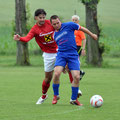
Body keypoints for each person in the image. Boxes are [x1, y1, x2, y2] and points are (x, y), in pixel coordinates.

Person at [50, 15, 97, 106]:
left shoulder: (70, 25)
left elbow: (82, 29)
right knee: (56, 73)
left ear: (60, 21)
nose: (56, 25)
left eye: (58, 23)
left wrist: (92, 35)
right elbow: (57, 47)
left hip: (73, 55)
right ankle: (56, 95)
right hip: (61, 55)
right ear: (52, 24)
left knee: (76, 76)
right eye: (54, 24)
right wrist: (63, 65)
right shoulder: (54, 35)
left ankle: (74, 99)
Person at [13, 9, 58, 104]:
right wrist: (19, 38)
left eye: (43, 17)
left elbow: (59, 27)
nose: (42, 19)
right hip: (48, 55)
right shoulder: (34, 29)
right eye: (40, 17)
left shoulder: (50, 23)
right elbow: (27, 38)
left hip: (59, 51)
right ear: (35, 18)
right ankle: (44, 95)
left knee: (62, 70)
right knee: (48, 78)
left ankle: (70, 94)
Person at [72, 15, 86, 80]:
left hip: (78, 47)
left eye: (76, 20)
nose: (74, 21)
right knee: (72, 61)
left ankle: (78, 73)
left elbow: (84, 39)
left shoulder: (79, 29)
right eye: (73, 20)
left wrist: (83, 48)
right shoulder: (71, 29)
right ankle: (80, 72)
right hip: (71, 47)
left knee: (75, 60)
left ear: (78, 21)